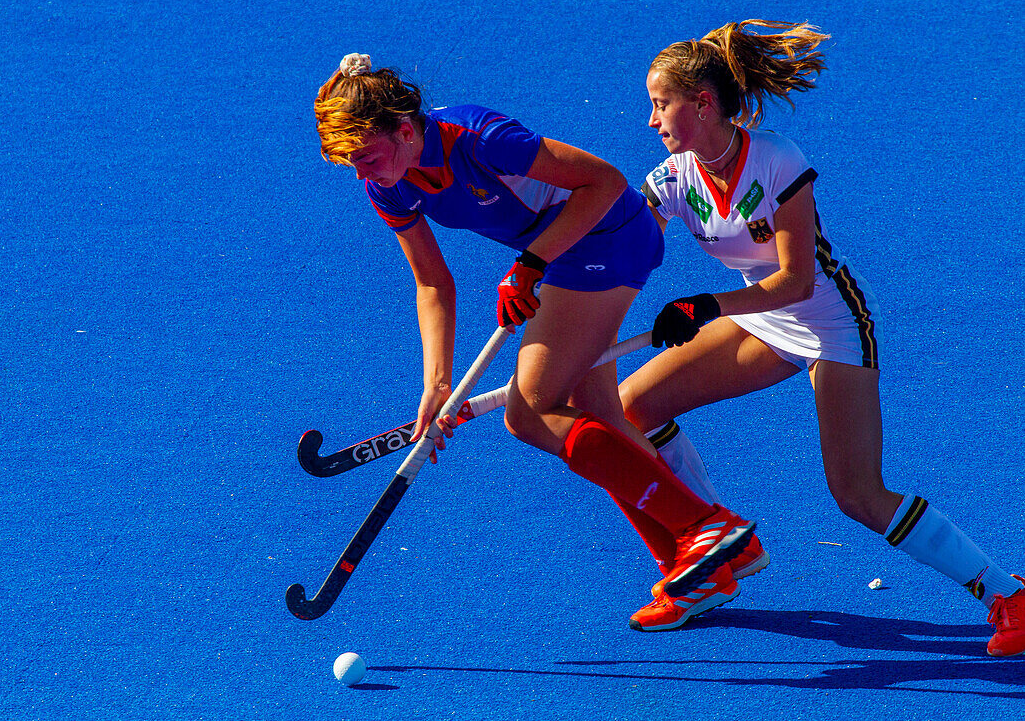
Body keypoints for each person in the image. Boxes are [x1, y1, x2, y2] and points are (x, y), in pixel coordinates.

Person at [615, 20, 1025, 655]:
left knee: (856, 493)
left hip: (830, 320)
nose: (651, 121)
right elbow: (613, 253)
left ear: (701, 104)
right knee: (631, 410)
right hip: (759, 318)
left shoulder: (777, 160)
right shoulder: (673, 179)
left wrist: (703, 305)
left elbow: (796, 282)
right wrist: (561, 310)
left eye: (659, 103)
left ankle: (1007, 593)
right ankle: (715, 555)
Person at [313, 53, 759, 614]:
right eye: (350, 164)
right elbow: (432, 283)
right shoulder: (391, 184)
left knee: (529, 412)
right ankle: (699, 568)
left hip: (609, 237)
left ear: (406, 130)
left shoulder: (481, 138)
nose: (361, 174)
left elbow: (604, 183)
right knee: (594, 410)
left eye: (365, 158)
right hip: (562, 257)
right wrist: (437, 385)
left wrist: (531, 263)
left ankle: (703, 526)